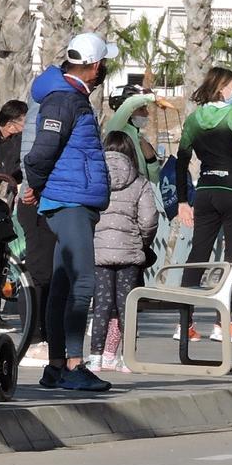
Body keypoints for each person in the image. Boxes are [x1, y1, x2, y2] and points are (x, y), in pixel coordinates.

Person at [22, 32, 115, 393]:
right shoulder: (64, 99)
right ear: (93, 65)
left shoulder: (68, 96)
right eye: (103, 64)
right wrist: (35, 183)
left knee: (62, 284)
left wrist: (38, 183)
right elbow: (43, 150)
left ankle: (56, 366)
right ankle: (75, 365)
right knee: (82, 283)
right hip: (70, 200)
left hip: (70, 198)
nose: (103, 69)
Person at [175, 66, 232, 345]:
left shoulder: (194, 119)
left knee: (198, 253)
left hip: (206, 191)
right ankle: (224, 324)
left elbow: (182, 159)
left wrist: (183, 200)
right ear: (222, 89)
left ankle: (185, 323)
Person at [87, 129, 158, 373]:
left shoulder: (95, 178)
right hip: (129, 254)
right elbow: (149, 220)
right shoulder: (140, 182)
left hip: (99, 253)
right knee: (127, 306)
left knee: (102, 305)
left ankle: (95, 356)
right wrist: (142, 241)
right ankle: (127, 357)